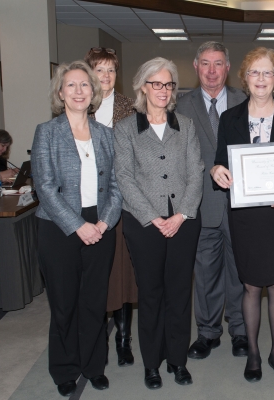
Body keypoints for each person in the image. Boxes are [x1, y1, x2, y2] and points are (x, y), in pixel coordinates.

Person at [211, 47, 274, 383]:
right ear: (244, 77)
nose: (261, 79)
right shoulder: (230, 118)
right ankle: (253, 353)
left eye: (267, 73)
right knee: (252, 287)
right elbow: (219, 160)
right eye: (255, 72)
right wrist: (217, 171)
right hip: (245, 216)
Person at [31, 60, 122, 397]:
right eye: (71, 85)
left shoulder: (105, 134)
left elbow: (116, 186)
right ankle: (65, 369)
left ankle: (94, 366)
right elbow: (45, 189)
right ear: (60, 93)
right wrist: (78, 226)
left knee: (95, 302)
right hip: (58, 228)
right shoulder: (47, 132)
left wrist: (103, 222)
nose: (79, 91)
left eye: (85, 84)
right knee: (65, 303)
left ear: (94, 91)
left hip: (100, 224)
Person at [114, 57, 204, 389]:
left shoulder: (186, 125)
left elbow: (196, 174)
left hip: (184, 221)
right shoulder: (126, 129)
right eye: (156, 84)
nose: (163, 90)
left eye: (168, 84)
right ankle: (152, 363)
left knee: (180, 292)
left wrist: (180, 214)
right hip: (143, 223)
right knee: (151, 294)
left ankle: (177, 360)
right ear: (142, 87)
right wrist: (154, 217)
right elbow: (124, 178)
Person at [175, 42, 248, 360]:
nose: (212, 70)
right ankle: (207, 333)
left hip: (242, 204)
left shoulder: (245, 101)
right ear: (195, 66)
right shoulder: (179, 106)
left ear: (227, 67)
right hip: (201, 205)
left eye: (218, 63)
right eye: (205, 63)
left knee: (241, 272)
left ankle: (241, 331)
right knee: (204, 273)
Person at [84, 46, 138, 367]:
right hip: (87, 206)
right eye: (100, 70)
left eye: (111, 71)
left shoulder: (130, 108)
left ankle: (123, 339)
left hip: (121, 205)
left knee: (121, 276)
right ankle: (92, 339)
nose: (106, 76)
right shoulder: (77, 106)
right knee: (93, 276)